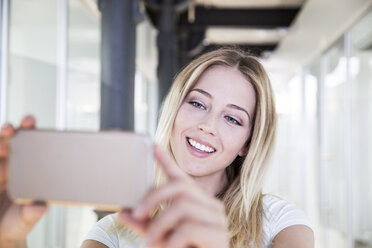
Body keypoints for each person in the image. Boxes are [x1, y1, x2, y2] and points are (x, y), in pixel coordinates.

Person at [0, 48, 314, 248]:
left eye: (232, 119)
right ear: (173, 111)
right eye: (197, 103)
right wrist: (9, 239)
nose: (207, 125)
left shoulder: (280, 223)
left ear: (248, 143)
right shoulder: (111, 234)